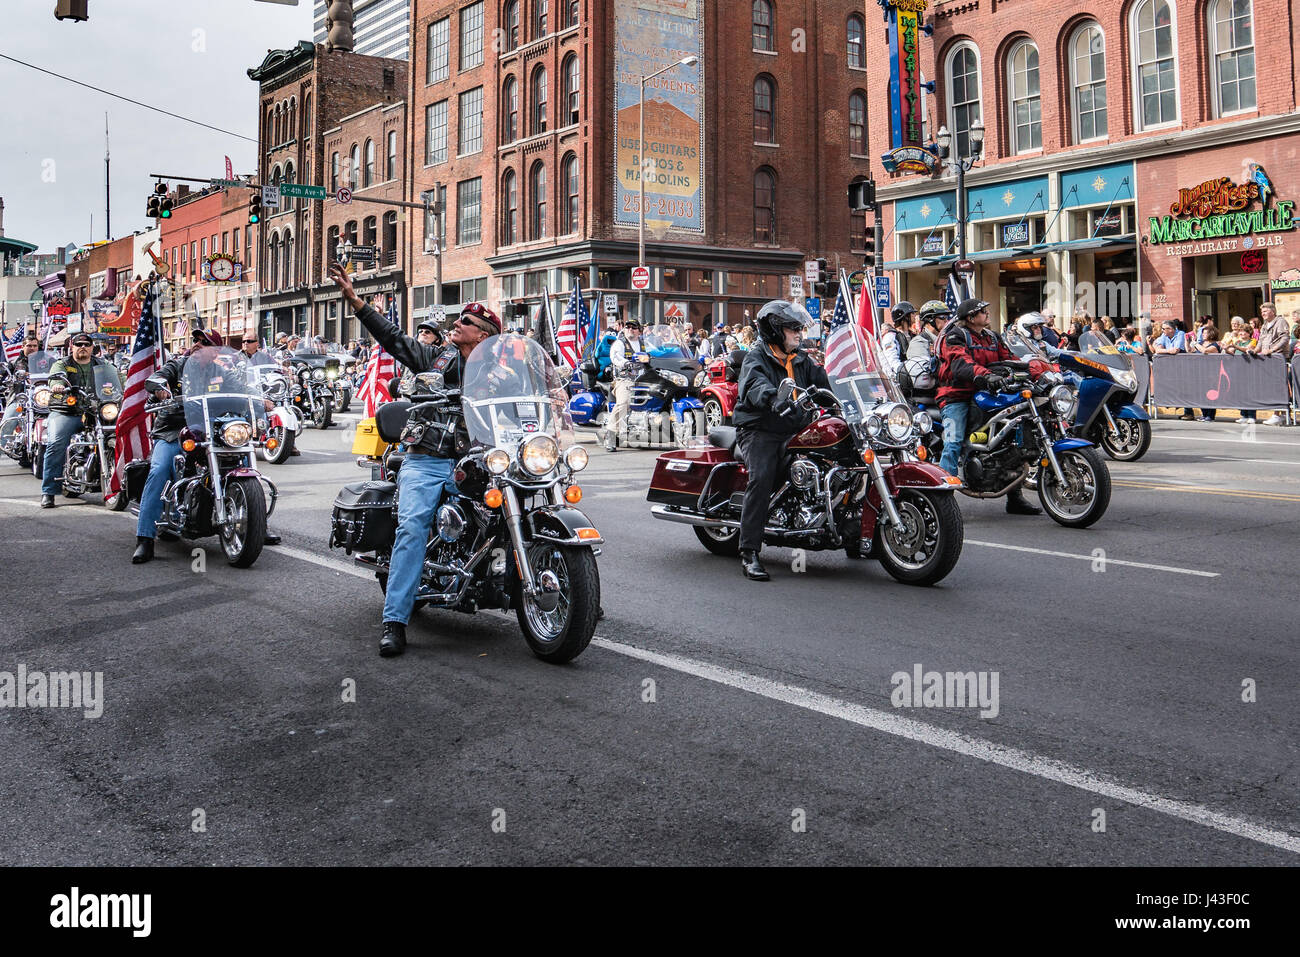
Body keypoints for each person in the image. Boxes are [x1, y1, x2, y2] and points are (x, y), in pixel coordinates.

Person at [328, 262, 499, 656]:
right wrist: (356, 301)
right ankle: (395, 621)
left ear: (484, 334)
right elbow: (394, 339)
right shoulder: (435, 359)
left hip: (482, 461)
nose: (458, 323)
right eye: (458, 318)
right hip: (430, 458)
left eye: (467, 320)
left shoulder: (498, 370)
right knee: (413, 527)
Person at [732, 300, 833, 581]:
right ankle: (749, 551)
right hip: (760, 428)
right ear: (776, 331)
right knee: (762, 476)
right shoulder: (757, 357)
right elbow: (753, 385)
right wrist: (772, 397)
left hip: (795, 426)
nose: (799, 334)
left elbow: (826, 382)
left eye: (800, 329)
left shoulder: (801, 359)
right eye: (793, 329)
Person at [935, 298, 1042, 515]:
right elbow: (960, 362)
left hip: (989, 393)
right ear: (971, 317)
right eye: (982, 311)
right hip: (957, 396)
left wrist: (1036, 368)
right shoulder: (955, 336)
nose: (987, 314)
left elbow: (1010, 359)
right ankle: (942, 505)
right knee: (953, 442)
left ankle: (1015, 497)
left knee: (1012, 438)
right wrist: (986, 376)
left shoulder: (993, 337)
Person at [41, 333, 116, 508]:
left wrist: (125, 385)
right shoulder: (63, 364)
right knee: (56, 442)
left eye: (86, 344)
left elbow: (117, 377)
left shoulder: (101, 364)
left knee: (118, 434)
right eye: (78, 344)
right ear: (72, 347)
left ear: (92, 347)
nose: (82, 347)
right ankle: (49, 491)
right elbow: (55, 378)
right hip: (67, 411)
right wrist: (58, 385)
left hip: (95, 412)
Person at [604, 317, 644, 452]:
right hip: (624, 379)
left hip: (644, 378)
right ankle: (610, 435)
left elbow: (657, 352)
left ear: (639, 331)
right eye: (627, 327)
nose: (630, 329)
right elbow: (615, 357)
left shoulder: (643, 343)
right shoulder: (620, 343)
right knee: (623, 403)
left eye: (633, 327)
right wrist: (625, 363)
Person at [1252, 301, 1290, 425]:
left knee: (1279, 386)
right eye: (1262, 311)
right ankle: (1280, 414)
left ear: (1273, 311)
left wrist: (1272, 350)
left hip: (1279, 358)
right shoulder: (1264, 325)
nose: (1263, 313)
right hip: (1267, 359)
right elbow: (1261, 341)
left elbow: (1285, 338)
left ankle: (1279, 414)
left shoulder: (1280, 322)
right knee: (1272, 387)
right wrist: (1255, 350)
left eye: (1265, 311)